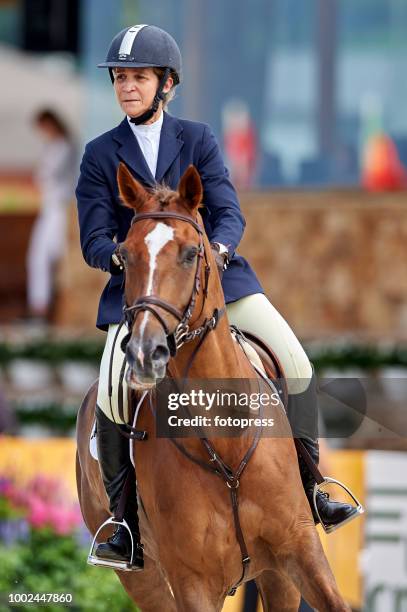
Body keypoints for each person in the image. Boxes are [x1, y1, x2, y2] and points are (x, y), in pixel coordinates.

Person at [76, 25, 360, 569]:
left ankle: (314, 486)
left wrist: (220, 251)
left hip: (216, 284)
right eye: (119, 78)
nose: (127, 86)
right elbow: (92, 236)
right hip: (143, 297)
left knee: (296, 362)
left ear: (167, 85)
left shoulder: (199, 139)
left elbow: (228, 212)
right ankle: (122, 523)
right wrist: (127, 258)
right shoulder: (97, 155)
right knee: (113, 391)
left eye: (138, 77)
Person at [27, 109, 76, 323]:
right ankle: (40, 307)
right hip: (50, 208)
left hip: (60, 209)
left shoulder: (64, 146)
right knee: (39, 257)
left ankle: (53, 308)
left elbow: (47, 175)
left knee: (56, 257)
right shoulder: (53, 147)